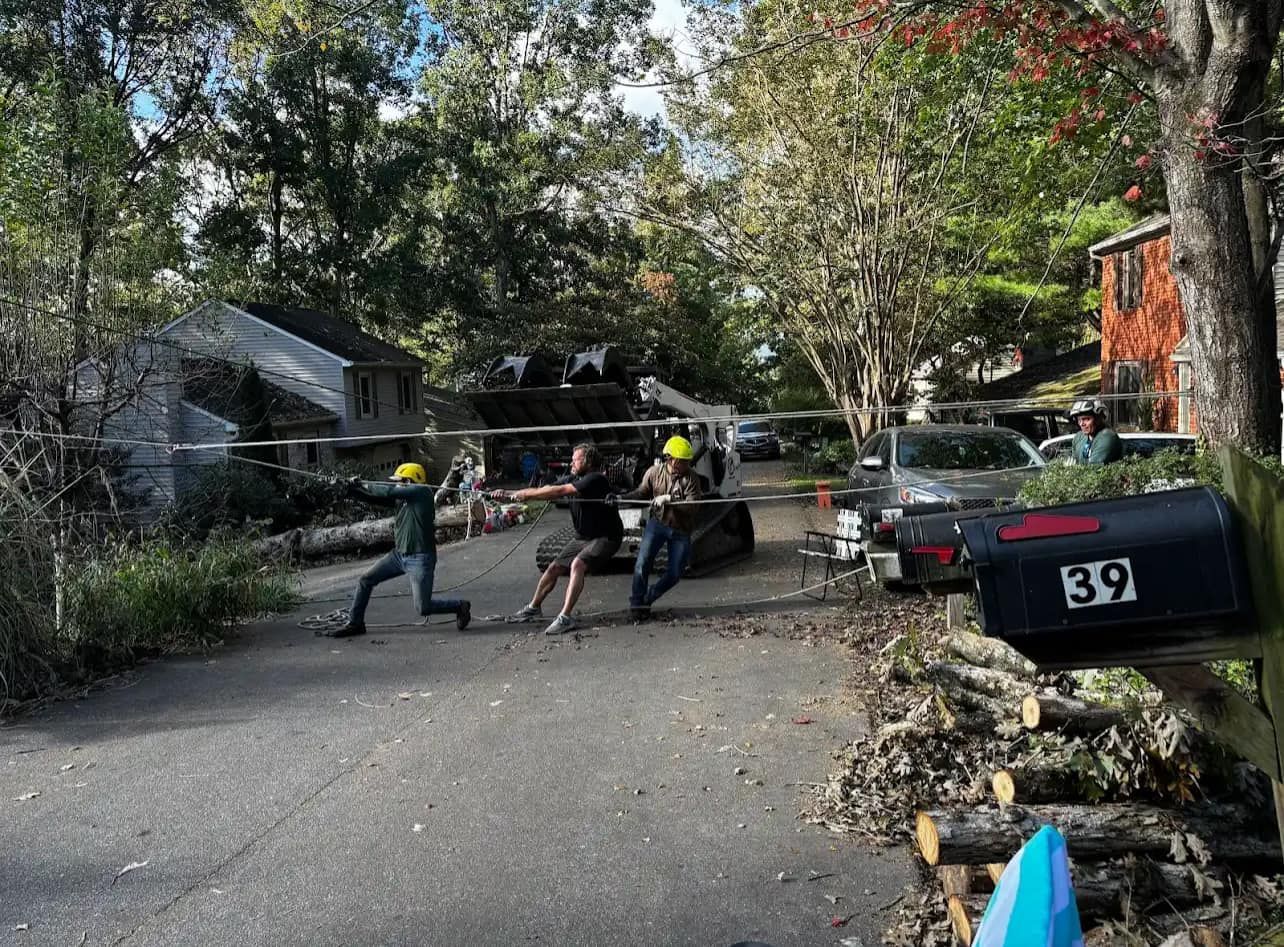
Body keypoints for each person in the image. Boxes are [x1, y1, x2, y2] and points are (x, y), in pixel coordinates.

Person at [327, 462, 471, 638]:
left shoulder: (421, 493)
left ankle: (459, 606)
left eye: (399, 481)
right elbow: (374, 498)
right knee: (366, 580)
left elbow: (387, 491)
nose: (396, 484)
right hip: (398, 555)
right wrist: (348, 489)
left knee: (423, 608)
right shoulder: (403, 499)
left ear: (410, 481)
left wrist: (361, 483)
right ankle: (355, 623)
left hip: (420, 558)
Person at [493, 443, 623, 635]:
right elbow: (546, 488)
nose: (571, 461)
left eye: (575, 459)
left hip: (606, 537)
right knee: (554, 568)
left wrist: (523, 495)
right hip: (583, 537)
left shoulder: (596, 479)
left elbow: (559, 491)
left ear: (587, 461)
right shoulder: (574, 477)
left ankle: (565, 617)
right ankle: (533, 608)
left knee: (577, 564)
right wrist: (509, 494)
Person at [616, 435, 703, 621]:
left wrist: (670, 500)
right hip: (657, 525)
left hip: (681, 530)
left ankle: (648, 598)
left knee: (675, 573)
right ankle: (637, 604)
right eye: (682, 461)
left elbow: (693, 506)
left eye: (688, 461)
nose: (687, 464)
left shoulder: (692, 478)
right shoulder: (654, 473)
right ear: (670, 459)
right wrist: (620, 500)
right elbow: (641, 493)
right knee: (642, 563)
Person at [1067, 398, 1123, 465]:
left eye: (1086, 419)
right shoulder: (1079, 437)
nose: (1082, 424)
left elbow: (1094, 468)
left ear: (1098, 418)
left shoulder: (1107, 437)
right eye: (1079, 420)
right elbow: (1074, 461)